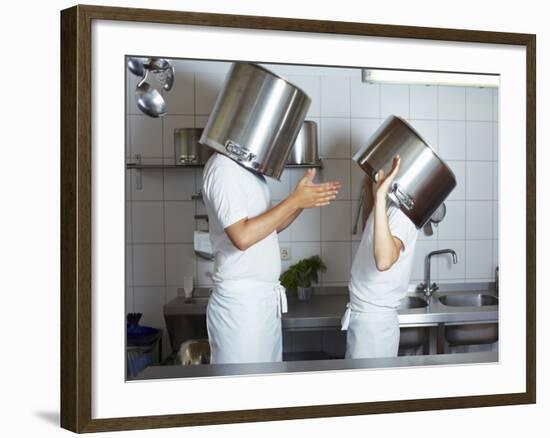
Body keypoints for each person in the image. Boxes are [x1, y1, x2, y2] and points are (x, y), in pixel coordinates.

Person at [202, 152, 341, 364]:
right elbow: (242, 236)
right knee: (241, 391)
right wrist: (294, 200)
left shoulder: (249, 170)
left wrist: (301, 202)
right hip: (241, 309)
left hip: (262, 306)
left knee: (265, 391)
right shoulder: (223, 167)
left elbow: (269, 227)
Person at [341, 155, 419, 358]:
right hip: (366, 319)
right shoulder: (388, 208)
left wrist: (381, 194)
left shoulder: (403, 215)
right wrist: (371, 187)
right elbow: (370, 226)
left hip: (374, 326)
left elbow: (384, 260)